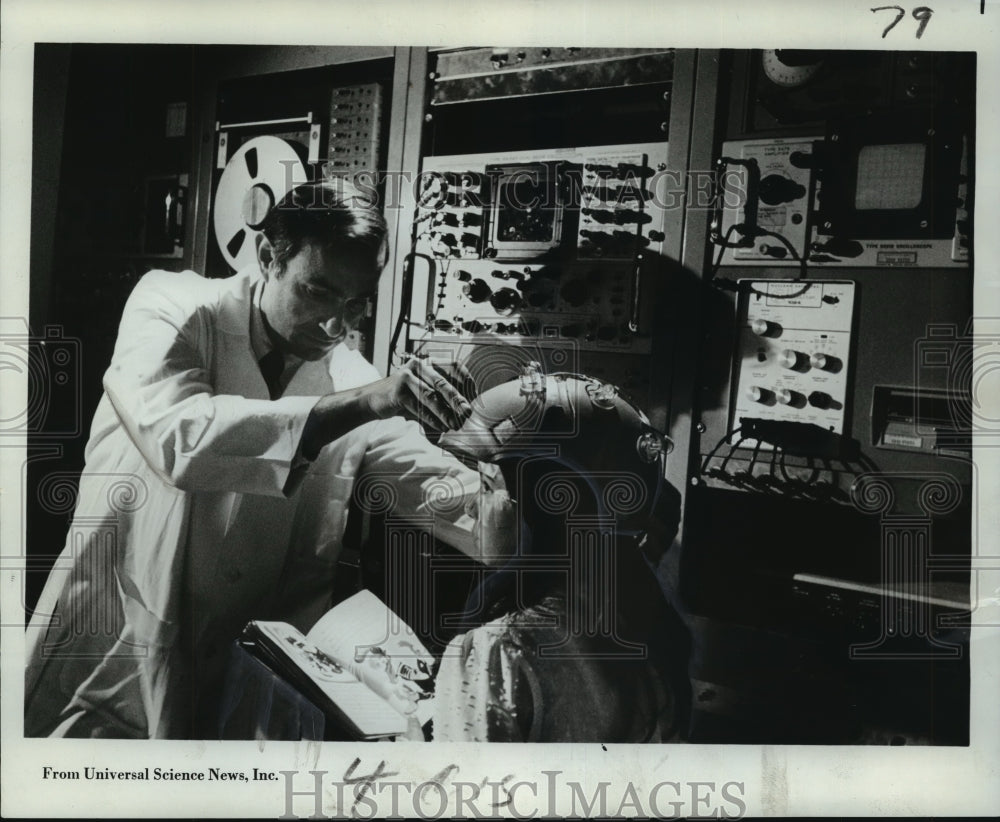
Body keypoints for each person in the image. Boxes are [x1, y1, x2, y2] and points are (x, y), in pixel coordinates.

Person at [24, 180, 482, 739]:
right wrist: (368, 401)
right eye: (318, 292)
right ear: (268, 256)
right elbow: (180, 439)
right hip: (118, 646)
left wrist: (522, 480)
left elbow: (447, 497)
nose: (338, 326)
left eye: (357, 303)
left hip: (240, 679)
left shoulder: (352, 382)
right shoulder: (173, 306)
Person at [432, 367, 691, 742]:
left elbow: (461, 793)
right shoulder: (655, 632)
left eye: (487, 485)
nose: (472, 508)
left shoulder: (496, 652)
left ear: (545, 507)